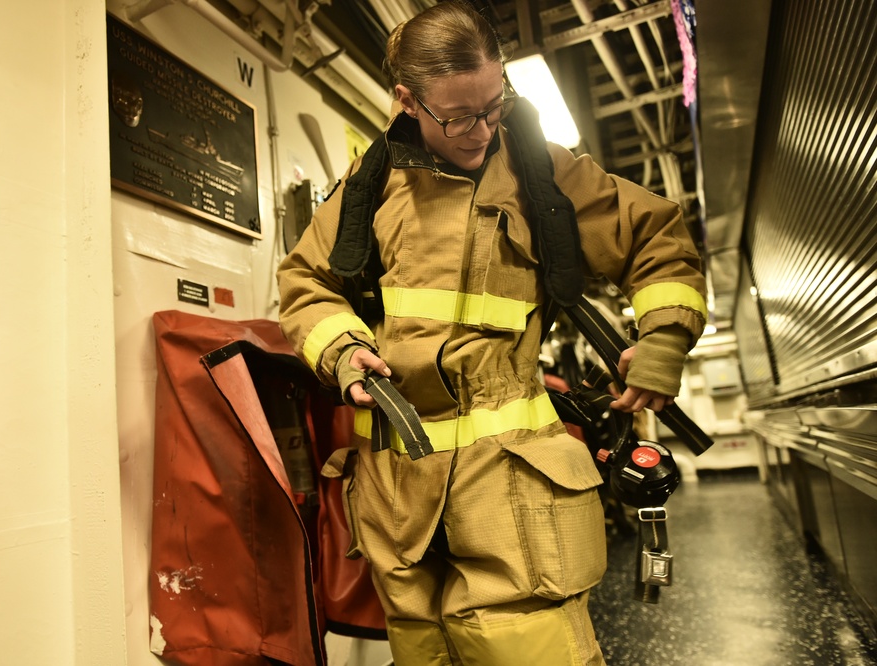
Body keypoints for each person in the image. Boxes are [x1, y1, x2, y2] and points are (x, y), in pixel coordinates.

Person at [276, 1, 707, 663]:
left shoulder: (543, 170)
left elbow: (657, 236)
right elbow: (305, 282)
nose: (481, 130)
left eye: (493, 106)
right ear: (406, 100)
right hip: (397, 499)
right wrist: (344, 351)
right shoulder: (369, 188)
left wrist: (665, 337)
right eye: (457, 116)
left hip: (513, 491)